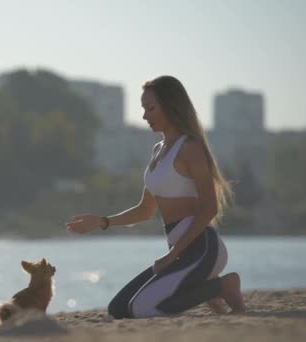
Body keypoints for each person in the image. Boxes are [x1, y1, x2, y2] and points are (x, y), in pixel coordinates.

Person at [66, 75, 246, 318]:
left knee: (143, 308)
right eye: (143, 108)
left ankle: (223, 286)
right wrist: (101, 221)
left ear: (171, 106)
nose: (144, 116)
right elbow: (145, 210)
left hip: (202, 248)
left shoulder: (190, 147)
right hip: (181, 251)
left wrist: (172, 255)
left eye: (151, 108)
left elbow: (209, 209)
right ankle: (206, 289)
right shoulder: (158, 151)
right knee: (118, 308)